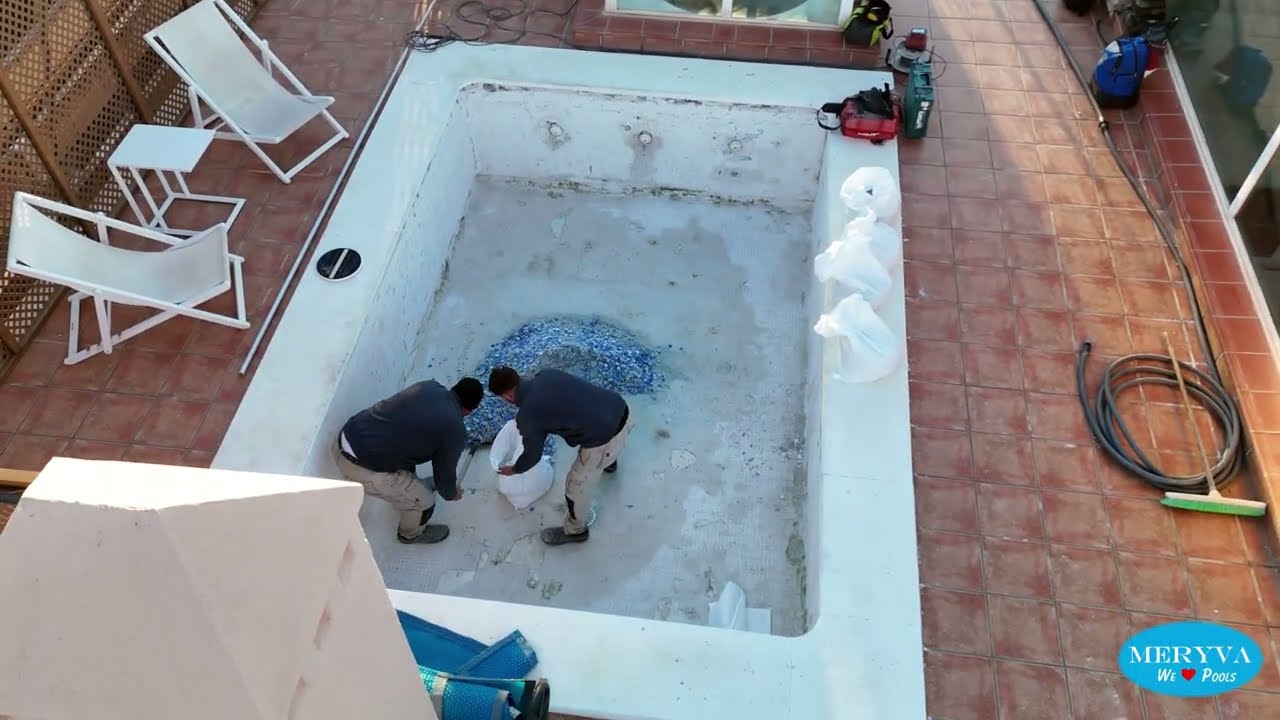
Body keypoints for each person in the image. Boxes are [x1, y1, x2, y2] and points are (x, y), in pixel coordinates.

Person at [488, 366, 634, 546]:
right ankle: (609, 462)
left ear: (507, 396)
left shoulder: (528, 414)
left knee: (575, 488)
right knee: (593, 426)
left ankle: (576, 531)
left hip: (607, 438)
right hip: (621, 408)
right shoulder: (546, 374)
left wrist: (515, 469)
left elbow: (533, 456)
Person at [333, 378, 483, 544]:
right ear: (470, 410)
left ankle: (411, 489)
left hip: (347, 435)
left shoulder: (429, 387)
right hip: (361, 467)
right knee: (425, 503)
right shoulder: (455, 429)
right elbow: (444, 474)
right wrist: (451, 493)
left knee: (410, 446)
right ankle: (410, 535)